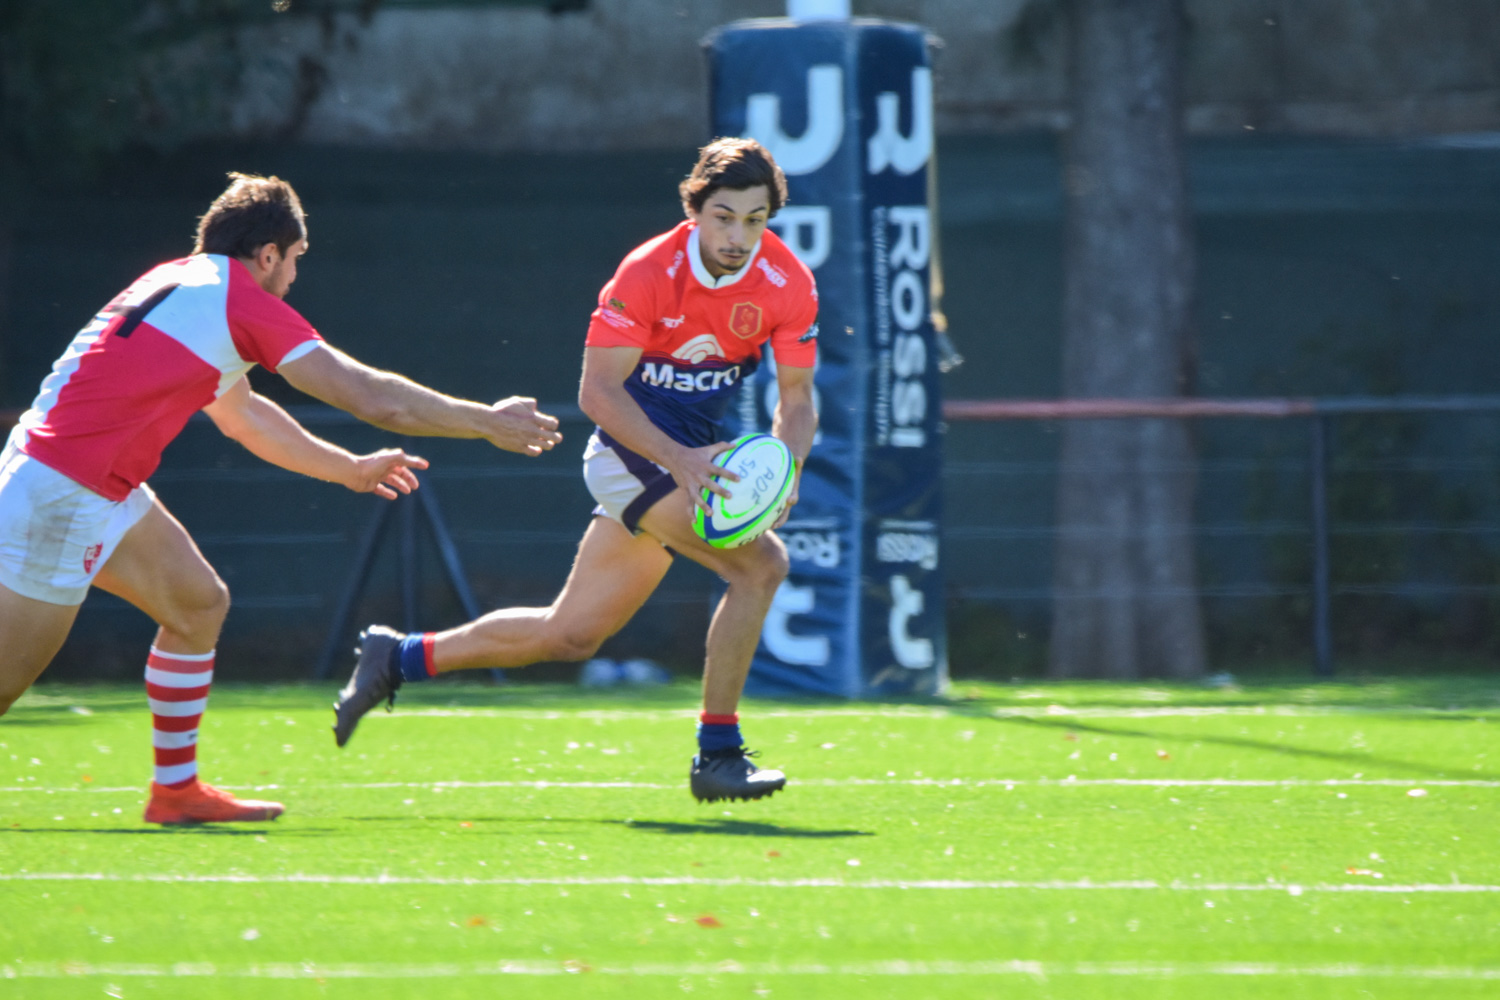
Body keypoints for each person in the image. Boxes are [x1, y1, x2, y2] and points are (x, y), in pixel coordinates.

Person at [0, 172, 562, 825]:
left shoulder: (178, 282)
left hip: (73, 479)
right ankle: (176, 792)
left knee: (197, 604)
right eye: (295, 258)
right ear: (267, 253)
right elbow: (372, 397)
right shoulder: (237, 299)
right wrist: (486, 420)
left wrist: (348, 469)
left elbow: (245, 417)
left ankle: (175, 792)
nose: (294, 275)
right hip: (65, 494)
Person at [333, 138, 819, 803]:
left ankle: (396, 657)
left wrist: (787, 468)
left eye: (756, 220)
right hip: (631, 456)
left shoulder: (787, 282)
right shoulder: (647, 273)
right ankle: (718, 753)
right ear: (695, 210)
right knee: (760, 566)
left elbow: (796, 398)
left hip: (692, 460)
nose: (739, 235)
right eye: (724, 216)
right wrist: (678, 460)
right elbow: (598, 393)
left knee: (571, 635)